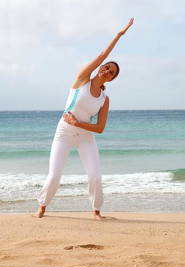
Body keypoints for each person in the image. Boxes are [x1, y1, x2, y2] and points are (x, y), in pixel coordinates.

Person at [36, 18, 134, 220]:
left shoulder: (105, 100)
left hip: (85, 136)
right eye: (107, 68)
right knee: (54, 176)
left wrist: (78, 123)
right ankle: (42, 206)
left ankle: (96, 211)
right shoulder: (82, 80)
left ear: (112, 79)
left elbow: (99, 128)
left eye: (112, 73)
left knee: (95, 176)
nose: (107, 71)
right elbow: (101, 55)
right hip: (64, 132)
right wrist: (119, 35)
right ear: (101, 68)